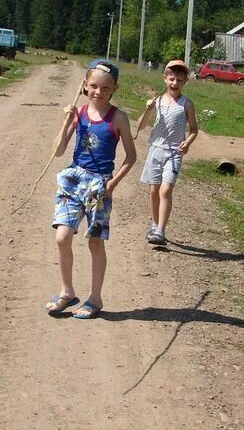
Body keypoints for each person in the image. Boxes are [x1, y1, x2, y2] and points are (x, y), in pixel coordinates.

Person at [45, 59, 136, 319]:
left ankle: (95, 298)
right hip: (74, 180)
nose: (98, 92)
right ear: (85, 85)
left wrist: (112, 184)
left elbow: (131, 156)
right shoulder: (79, 114)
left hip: (100, 184)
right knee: (62, 237)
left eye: (105, 88)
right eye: (93, 86)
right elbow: (59, 151)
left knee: (94, 242)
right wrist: (65, 122)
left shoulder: (118, 117)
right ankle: (66, 292)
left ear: (114, 88)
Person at [134, 59, 198, 245]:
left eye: (179, 80)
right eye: (171, 79)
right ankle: (154, 224)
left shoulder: (187, 104)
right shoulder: (158, 101)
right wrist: (148, 109)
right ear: (165, 79)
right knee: (154, 190)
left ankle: (160, 231)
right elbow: (141, 125)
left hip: (174, 152)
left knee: (166, 189)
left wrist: (187, 143)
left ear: (185, 82)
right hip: (156, 149)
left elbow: (194, 129)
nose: (174, 83)